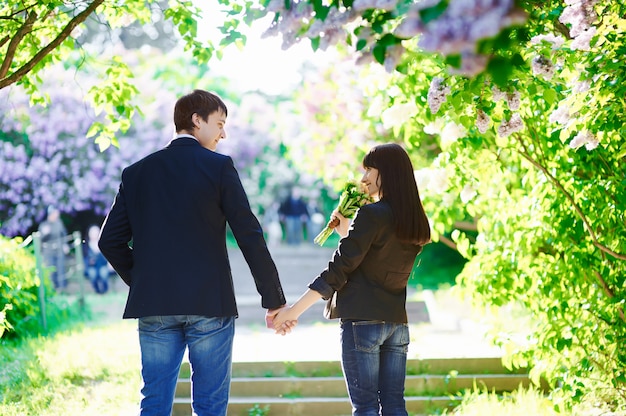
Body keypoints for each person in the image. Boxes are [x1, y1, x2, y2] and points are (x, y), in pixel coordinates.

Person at [98, 89, 289, 416]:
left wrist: (144, 280)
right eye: (219, 123)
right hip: (209, 304)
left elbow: (109, 241)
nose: (223, 134)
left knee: (154, 404)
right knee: (210, 408)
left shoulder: (136, 173)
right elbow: (249, 234)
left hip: (155, 303)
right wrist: (273, 298)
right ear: (196, 120)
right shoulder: (218, 167)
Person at [273, 143, 431, 416]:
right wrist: (348, 233)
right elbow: (376, 260)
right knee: (395, 407)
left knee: (366, 408)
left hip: (363, 323)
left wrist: (291, 311)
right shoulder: (414, 221)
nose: (364, 177)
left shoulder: (372, 214)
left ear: (389, 172)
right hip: (396, 324)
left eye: (370, 168)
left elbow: (339, 270)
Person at [38, 205, 68, 291]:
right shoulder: (44, 225)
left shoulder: (59, 223)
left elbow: (64, 234)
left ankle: (62, 289)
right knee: (50, 271)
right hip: (48, 252)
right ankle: (51, 290)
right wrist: (45, 233)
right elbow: (40, 239)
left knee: (60, 269)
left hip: (59, 250)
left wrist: (65, 244)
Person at [83, 224, 111, 294]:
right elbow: (85, 258)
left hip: (102, 265)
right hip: (91, 266)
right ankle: (97, 291)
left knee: (103, 273)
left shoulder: (103, 243)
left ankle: (105, 290)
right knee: (93, 274)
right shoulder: (86, 245)